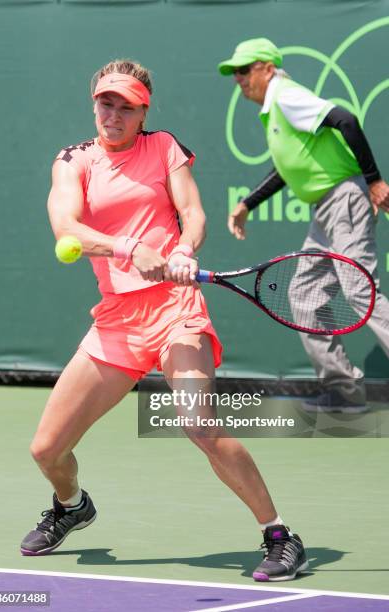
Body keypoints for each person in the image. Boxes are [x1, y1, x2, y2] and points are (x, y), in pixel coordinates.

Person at [20, 59, 308, 582]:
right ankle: (72, 505)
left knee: (198, 422)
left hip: (177, 311)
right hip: (117, 321)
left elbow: (193, 212)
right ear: (94, 104)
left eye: (125, 106)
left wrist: (183, 247)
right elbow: (67, 227)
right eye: (106, 102)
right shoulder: (72, 161)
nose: (113, 113)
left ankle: (280, 536)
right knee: (46, 449)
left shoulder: (163, 148)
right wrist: (129, 247)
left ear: (142, 111)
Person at [219, 38, 389, 413]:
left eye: (244, 70)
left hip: (343, 199)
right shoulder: (275, 108)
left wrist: (374, 180)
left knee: (360, 292)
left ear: (266, 67)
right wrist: (248, 203)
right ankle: (343, 391)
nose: (239, 79)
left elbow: (345, 119)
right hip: (324, 212)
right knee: (305, 295)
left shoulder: (284, 95)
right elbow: (286, 169)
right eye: (235, 74)